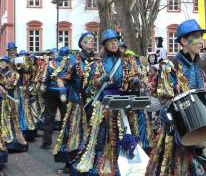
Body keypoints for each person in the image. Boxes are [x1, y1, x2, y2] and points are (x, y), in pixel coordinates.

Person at [71, 28, 152, 175]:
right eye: (111, 42)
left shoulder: (126, 61)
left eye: (116, 41)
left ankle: (129, 164)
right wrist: (102, 79)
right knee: (104, 136)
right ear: (105, 45)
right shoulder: (98, 63)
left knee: (127, 132)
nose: (114, 44)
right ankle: (106, 163)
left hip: (124, 103)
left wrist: (135, 80)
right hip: (106, 105)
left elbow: (132, 79)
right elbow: (91, 83)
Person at [145, 19, 206, 175]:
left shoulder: (203, 67)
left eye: (201, 37)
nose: (201, 41)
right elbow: (166, 99)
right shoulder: (169, 66)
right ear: (183, 41)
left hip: (201, 127)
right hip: (177, 131)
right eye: (196, 37)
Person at [53, 32, 95, 173]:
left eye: (93, 40)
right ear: (81, 43)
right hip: (77, 103)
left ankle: (90, 161)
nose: (91, 42)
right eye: (87, 40)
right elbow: (60, 77)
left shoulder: (98, 60)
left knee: (93, 132)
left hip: (94, 104)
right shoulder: (73, 59)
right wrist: (63, 91)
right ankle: (69, 163)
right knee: (73, 133)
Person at [41, 47, 71, 149]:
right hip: (64, 92)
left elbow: (45, 78)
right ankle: (65, 141)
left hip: (51, 92)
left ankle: (46, 142)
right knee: (65, 117)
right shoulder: (68, 64)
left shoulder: (50, 64)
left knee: (49, 117)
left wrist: (44, 86)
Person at [0, 55, 28, 152]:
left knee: (13, 119)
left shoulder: (14, 74)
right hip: (3, 100)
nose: (1, 64)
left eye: (3, 62)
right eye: (1, 62)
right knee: (3, 119)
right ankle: (5, 140)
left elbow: (11, 85)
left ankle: (15, 142)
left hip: (11, 100)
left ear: (8, 64)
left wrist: (3, 86)